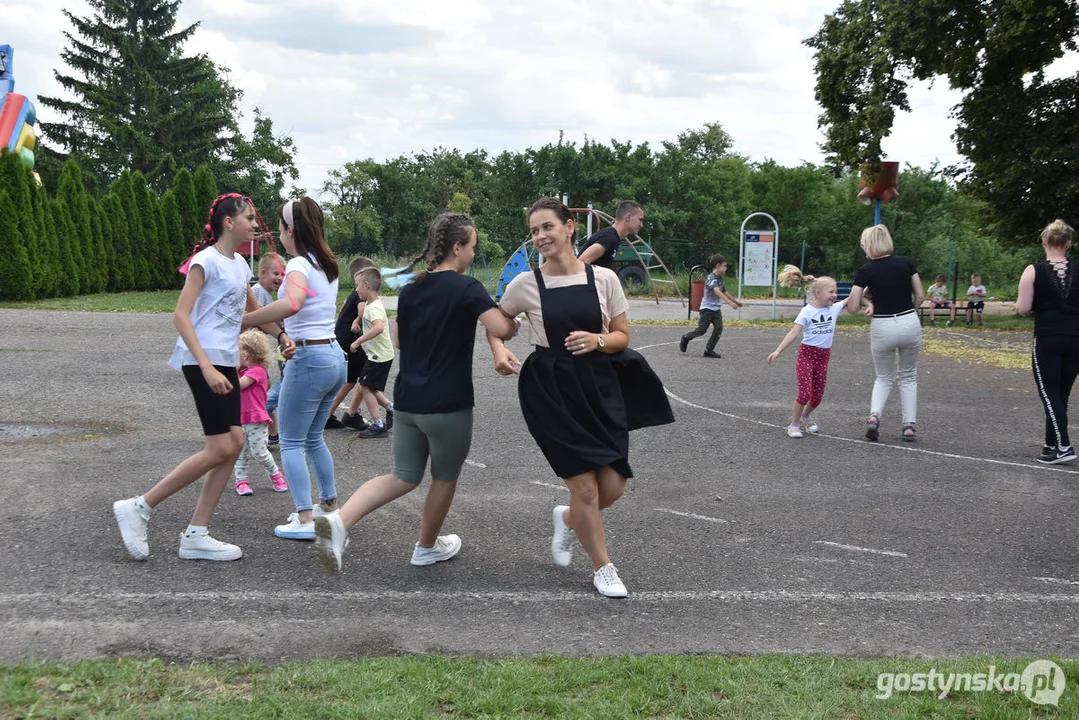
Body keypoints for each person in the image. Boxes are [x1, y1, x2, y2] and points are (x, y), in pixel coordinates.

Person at [312, 212, 518, 572]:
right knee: (444, 477)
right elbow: (502, 325)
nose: (472, 254)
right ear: (457, 247)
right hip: (448, 405)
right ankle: (426, 547)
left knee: (403, 475)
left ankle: (341, 521)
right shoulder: (467, 287)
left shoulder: (410, 289)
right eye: (471, 247)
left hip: (408, 401)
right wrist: (513, 319)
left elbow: (399, 338)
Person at [490, 197, 674, 599]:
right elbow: (497, 321)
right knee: (586, 488)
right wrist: (497, 349)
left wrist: (599, 339)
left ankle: (569, 518)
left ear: (570, 227)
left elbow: (624, 336)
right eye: (535, 230)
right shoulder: (526, 284)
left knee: (612, 486)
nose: (540, 236)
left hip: (599, 386)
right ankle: (603, 567)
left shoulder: (603, 279)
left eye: (548, 227)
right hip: (551, 390)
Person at [112, 193, 288, 561]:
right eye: (250, 218)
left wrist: (282, 335)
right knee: (221, 447)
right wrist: (206, 366)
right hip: (202, 361)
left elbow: (250, 314)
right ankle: (140, 507)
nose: (256, 224)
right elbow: (180, 315)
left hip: (224, 361)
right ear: (229, 222)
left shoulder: (240, 265)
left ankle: (197, 533)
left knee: (234, 443)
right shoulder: (205, 261)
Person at [242, 197, 346, 541]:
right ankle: (328, 508)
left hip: (309, 360)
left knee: (289, 442)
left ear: (290, 230)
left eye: (280, 227)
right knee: (313, 438)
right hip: (333, 356)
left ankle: (304, 518)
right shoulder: (324, 262)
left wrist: (245, 319)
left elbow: (293, 303)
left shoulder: (300, 263)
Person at [846, 224, 924, 443]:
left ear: (868, 245)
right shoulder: (906, 263)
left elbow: (852, 307)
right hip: (909, 320)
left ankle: (874, 417)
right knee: (908, 376)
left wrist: (866, 300)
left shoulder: (866, 271)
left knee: (883, 377)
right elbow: (920, 295)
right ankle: (909, 425)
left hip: (882, 325)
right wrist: (911, 312)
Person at [1014, 219, 1079, 464]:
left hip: (1048, 337)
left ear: (1044, 241)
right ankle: (1050, 444)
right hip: (1076, 337)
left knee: (1049, 392)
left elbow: (1023, 308)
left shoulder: (1034, 270)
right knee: (1061, 394)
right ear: (1068, 243)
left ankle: (1063, 446)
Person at [768, 267, 848, 437]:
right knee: (804, 393)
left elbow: (852, 298)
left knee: (817, 397)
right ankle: (794, 425)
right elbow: (794, 332)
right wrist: (778, 350)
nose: (835, 295)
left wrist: (868, 290)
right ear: (818, 293)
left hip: (823, 357)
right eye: (831, 291)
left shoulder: (835, 308)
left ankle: (806, 415)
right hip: (807, 355)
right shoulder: (807, 311)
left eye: (836, 292)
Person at [233, 330, 287, 495]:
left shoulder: (256, 371)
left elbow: (237, 385)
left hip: (255, 419)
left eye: (238, 351)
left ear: (247, 354)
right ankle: (241, 481)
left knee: (260, 452)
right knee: (240, 452)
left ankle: (275, 474)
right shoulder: (245, 371)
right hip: (239, 418)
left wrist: (233, 369)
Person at [326, 256, 376, 431]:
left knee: (355, 378)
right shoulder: (360, 295)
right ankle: (347, 414)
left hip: (344, 339)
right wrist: (363, 321)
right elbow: (362, 310)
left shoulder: (355, 293)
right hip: (348, 341)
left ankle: (338, 414)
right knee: (364, 376)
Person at [350, 267, 396, 439]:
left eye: (357, 286)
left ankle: (377, 424)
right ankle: (391, 408)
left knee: (364, 386)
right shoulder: (372, 304)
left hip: (379, 356)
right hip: (381, 354)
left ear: (367, 285)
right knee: (369, 386)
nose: (356, 289)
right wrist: (358, 323)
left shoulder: (372, 308)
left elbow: (378, 327)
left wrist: (358, 340)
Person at [680, 254, 743, 358]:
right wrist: (730, 303)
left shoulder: (720, 278)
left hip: (716, 309)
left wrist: (736, 302)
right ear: (718, 266)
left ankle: (708, 350)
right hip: (707, 309)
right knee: (701, 330)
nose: (726, 268)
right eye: (725, 265)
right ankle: (686, 337)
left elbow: (724, 292)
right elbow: (717, 291)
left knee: (718, 328)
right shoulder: (711, 278)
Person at [253, 254, 285, 445]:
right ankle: (253, 429)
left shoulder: (265, 294)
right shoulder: (257, 293)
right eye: (276, 273)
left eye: (282, 274)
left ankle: (273, 434)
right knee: (262, 391)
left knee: (266, 389)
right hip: (251, 352)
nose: (280, 278)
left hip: (257, 352)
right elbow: (258, 319)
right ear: (263, 273)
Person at [577, 201, 644, 271]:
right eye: (640, 220)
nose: (641, 225)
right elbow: (581, 262)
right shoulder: (609, 238)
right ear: (628, 217)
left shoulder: (613, 238)